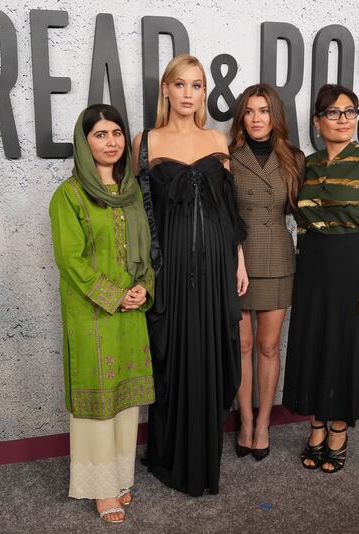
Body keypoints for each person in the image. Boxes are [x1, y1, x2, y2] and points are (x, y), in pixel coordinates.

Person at [132, 54, 248, 496]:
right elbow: (137, 210)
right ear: (165, 89)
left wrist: (238, 260)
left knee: (213, 351)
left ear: (203, 93)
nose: (188, 94)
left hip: (217, 261)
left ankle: (203, 454)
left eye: (196, 86)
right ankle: (169, 456)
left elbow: (228, 209)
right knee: (173, 354)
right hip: (171, 268)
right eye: (180, 85)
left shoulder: (217, 139)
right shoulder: (146, 141)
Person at [282, 84, 359, 473]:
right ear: (317, 122)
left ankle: (339, 429)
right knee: (314, 343)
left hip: (353, 266)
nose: (343, 119)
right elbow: (301, 222)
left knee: (348, 345)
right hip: (313, 265)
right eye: (333, 113)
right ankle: (316, 421)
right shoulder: (307, 165)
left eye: (350, 112)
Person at [49, 104, 155, 523]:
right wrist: (115, 295)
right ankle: (98, 487)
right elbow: (70, 261)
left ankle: (119, 477)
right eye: (100, 135)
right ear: (84, 141)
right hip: (92, 312)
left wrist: (143, 286)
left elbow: (146, 249)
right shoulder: (69, 195)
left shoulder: (130, 192)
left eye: (116, 134)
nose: (110, 142)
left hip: (131, 311)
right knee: (97, 401)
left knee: (125, 399)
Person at [228, 83, 304, 461]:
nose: (257, 118)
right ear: (241, 116)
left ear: (276, 117)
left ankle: (263, 424)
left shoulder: (293, 157)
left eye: (264, 111)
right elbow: (223, 215)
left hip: (276, 258)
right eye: (250, 111)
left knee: (268, 346)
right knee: (240, 345)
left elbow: (303, 213)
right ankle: (243, 421)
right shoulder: (227, 156)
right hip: (237, 261)